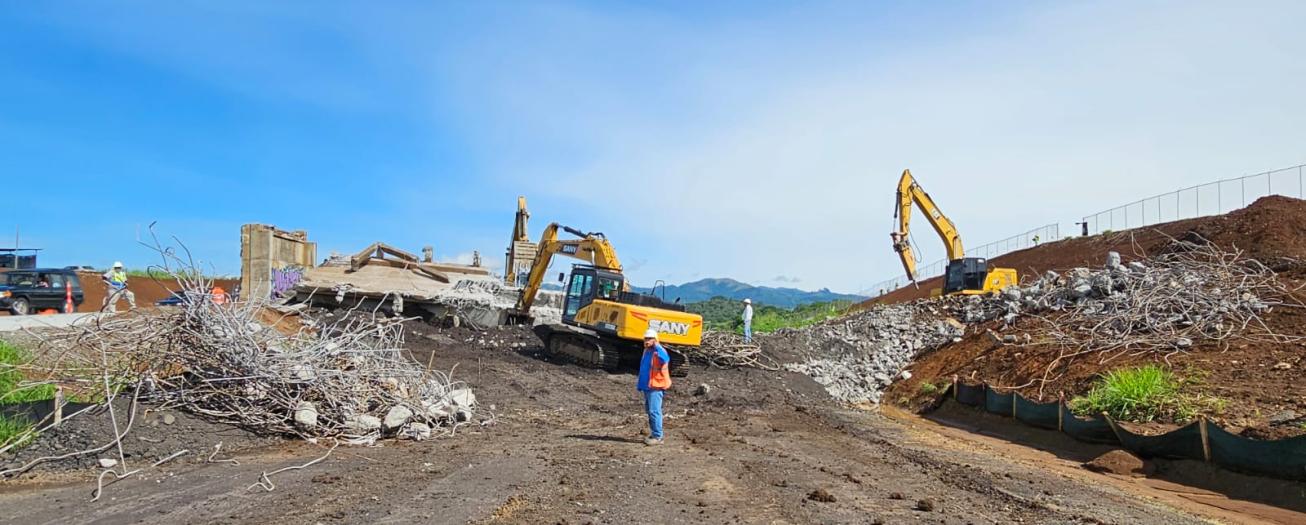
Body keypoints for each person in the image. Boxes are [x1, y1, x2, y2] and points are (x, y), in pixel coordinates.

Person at [637, 328, 671, 446]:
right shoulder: (647, 351)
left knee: (654, 411)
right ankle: (654, 434)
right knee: (649, 411)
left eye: (650, 339)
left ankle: (658, 436)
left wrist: (657, 346)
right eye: (645, 338)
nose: (647, 341)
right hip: (648, 386)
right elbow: (644, 369)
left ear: (655, 340)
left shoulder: (659, 351)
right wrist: (641, 385)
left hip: (656, 386)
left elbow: (665, 359)